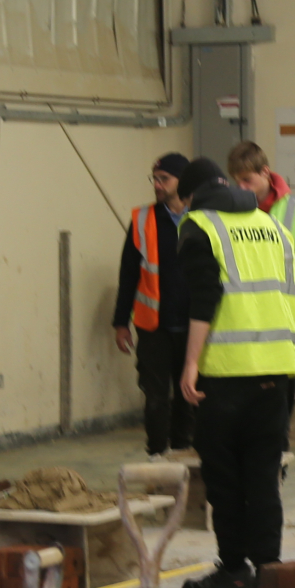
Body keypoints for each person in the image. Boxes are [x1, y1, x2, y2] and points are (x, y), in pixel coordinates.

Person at [172, 156, 295, 588]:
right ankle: (268, 569)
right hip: (275, 371)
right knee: (263, 477)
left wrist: (191, 363)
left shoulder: (200, 227)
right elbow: (290, 294)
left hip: (225, 373)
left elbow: (204, 298)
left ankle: (233, 570)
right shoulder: (273, 226)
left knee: (224, 478)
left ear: (191, 196)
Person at [113, 153, 193, 457]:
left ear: (182, 182)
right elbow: (128, 274)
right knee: (155, 397)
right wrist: (121, 322)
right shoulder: (142, 219)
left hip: (194, 325)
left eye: (164, 179)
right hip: (154, 326)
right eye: (154, 179)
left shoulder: (204, 217)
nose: (157, 185)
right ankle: (157, 456)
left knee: (189, 395)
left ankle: (185, 455)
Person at [224, 141, 295, 342]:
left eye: (247, 180)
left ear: (265, 172)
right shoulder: (232, 210)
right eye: (237, 182)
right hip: (243, 313)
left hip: (285, 311)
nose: (242, 187)